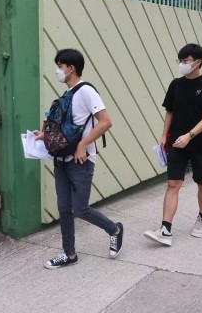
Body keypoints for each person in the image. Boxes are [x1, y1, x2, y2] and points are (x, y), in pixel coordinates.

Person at [33, 48, 122, 269]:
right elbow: (66, 126)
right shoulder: (68, 94)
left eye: (60, 66)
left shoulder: (86, 91)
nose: (57, 71)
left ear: (71, 68)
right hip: (62, 160)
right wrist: (44, 135)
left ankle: (115, 230)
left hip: (81, 161)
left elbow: (106, 121)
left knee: (80, 209)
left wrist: (83, 145)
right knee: (64, 209)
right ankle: (69, 253)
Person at [144, 43, 202, 246]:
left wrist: (190, 135)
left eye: (185, 60)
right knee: (173, 184)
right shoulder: (176, 84)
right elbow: (169, 111)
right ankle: (165, 229)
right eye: (180, 60)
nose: (182, 64)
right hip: (176, 143)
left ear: (198, 62)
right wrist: (164, 135)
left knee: (201, 181)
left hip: (201, 144)